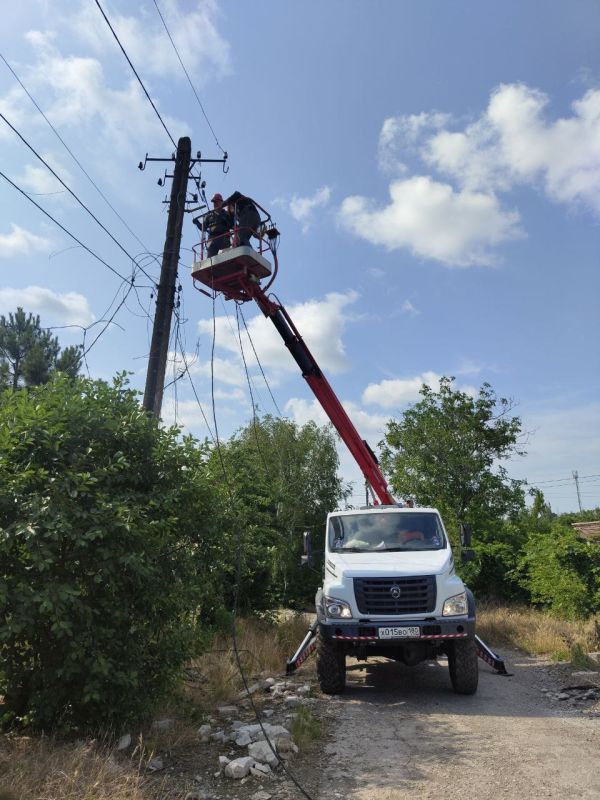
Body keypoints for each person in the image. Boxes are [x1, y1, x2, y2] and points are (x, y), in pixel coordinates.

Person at [200, 193, 233, 258]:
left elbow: (232, 225)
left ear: (221, 202)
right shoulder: (209, 215)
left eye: (217, 201)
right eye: (214, 202)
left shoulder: (226, 214)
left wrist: (225, 220)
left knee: (226, 258)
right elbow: (203, 228)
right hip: (213, 239)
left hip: (224, 239)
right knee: (210, 259)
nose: (215, 203)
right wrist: (197, 223)